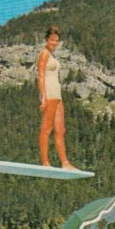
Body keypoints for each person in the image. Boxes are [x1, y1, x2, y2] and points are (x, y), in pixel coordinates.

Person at [37, 26, 77, 170]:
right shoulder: (44, 54)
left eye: (57, 41)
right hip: (49, 93)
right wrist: (43, 96)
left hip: (57, 94)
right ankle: (45, 162)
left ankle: (65, 162)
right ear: (47, 40)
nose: (54, 43)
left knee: (60, 130)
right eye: (52, 40)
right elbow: (40, 75)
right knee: (46, 128)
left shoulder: (53, 56)